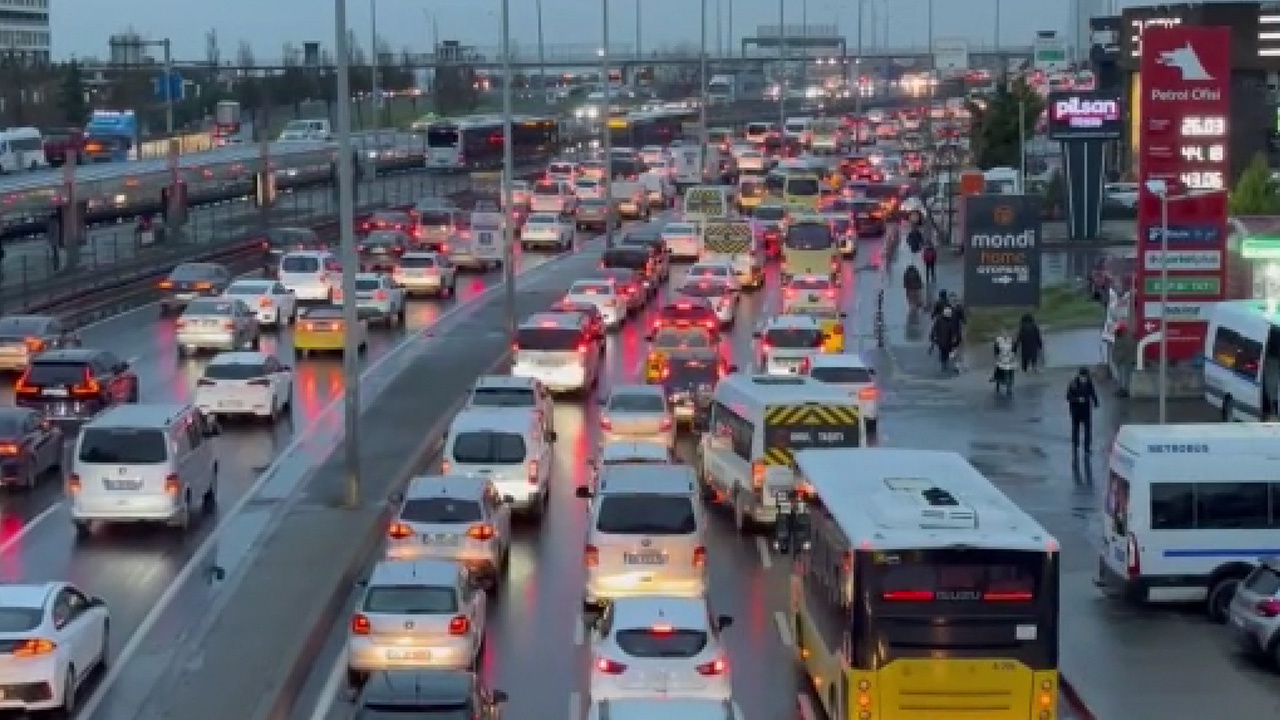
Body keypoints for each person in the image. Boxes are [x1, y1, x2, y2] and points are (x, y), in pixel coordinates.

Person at [1066, 367, 1100, 453]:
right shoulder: (1073, 384)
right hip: (1075, 409)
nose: (1084, 379)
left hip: (1086, 408)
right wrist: (1077, 399)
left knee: (1088, 427)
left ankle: (1087, 446)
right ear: (1079, 376)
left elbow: (1092, 392)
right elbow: (1068, 397)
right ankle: (1075, 443)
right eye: (1083, 377)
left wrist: (1096, 402)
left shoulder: (1089, 383)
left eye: (1086, 377)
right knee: (1076, 427)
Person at [930, 306, 962, 373]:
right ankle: (945, 366)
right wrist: (933, 338)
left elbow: (956, 331)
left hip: (948, 342)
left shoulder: (949, 320)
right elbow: (934, 330)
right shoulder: (940, 320)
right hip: (943, 342)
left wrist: (956, 339)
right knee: (944, 355)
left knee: (949, 354)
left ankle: (949, 366)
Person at [1111, 323, 1137, 397]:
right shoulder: (1119, 336)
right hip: (1121, 360)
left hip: (1127, 360)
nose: (1116, 331)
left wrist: (1118, 358)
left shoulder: (1127, 337)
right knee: (1122, 376)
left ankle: (1125, 391)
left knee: (1126, 376)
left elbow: (1127, 349)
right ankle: (1122, 389)